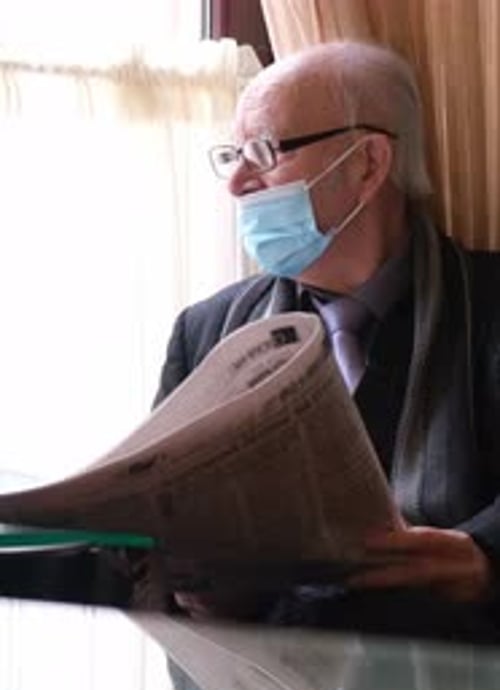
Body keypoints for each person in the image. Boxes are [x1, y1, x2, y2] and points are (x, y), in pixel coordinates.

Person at [154, 40, 500, 634]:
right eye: (232, 156)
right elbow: (156, 518)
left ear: (368, 163)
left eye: (263, 151)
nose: (237, 183)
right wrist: (192, 583)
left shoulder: (488, 307)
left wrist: (485, 558)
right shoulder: (205, 330)